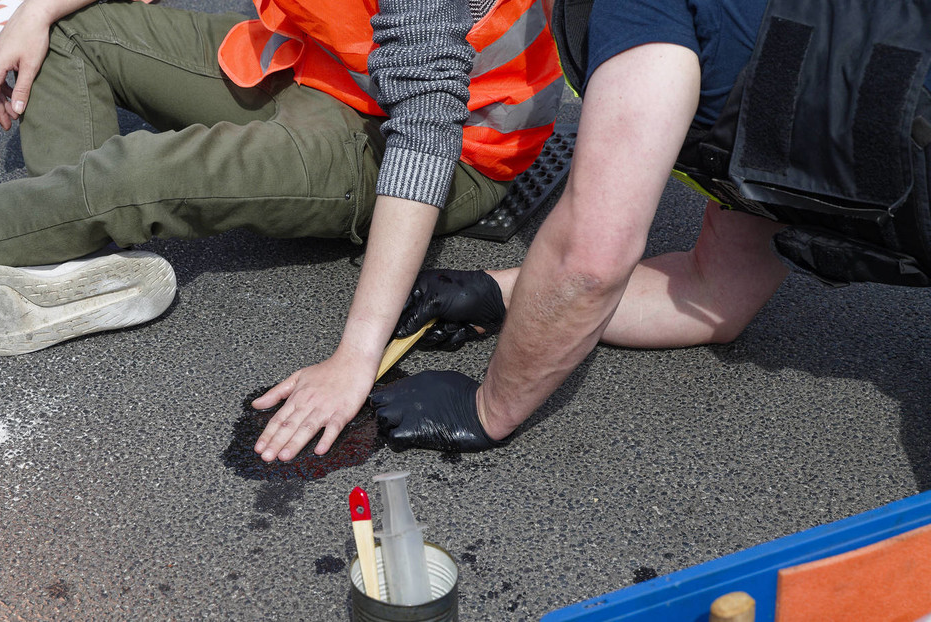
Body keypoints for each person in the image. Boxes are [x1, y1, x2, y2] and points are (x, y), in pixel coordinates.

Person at [0, 0, 565, 460]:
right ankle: (63, 261)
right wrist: (37, 9)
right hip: (327, 64)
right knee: (74, 31)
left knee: (140, 174)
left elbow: (426, 129)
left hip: (445, 142)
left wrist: (356, 355)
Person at [369, 0, 931, 452]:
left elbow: (591, 260)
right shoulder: (765, 51)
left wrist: (486, 409)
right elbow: (712, 295)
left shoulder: (642, 10)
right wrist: (503, 292)